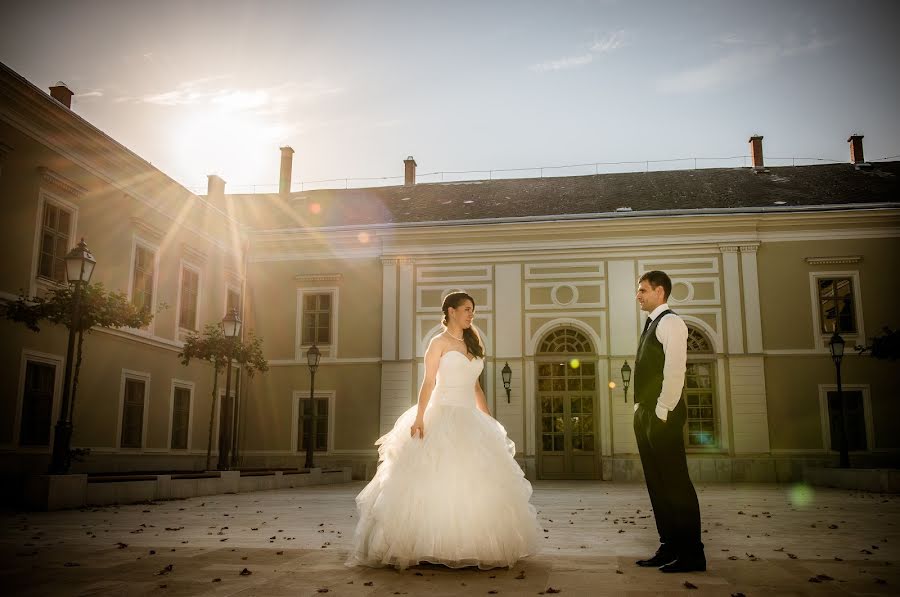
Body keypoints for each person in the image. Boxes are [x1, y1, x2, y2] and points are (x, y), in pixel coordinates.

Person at [347, 291, 540, 570]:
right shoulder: (437, 343)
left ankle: (471, 545)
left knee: (473, 481)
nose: (471, 314)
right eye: (466, 309)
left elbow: (476, 387)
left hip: (469, 416)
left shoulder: (474, 342)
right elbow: (428, 383)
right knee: (432, 479)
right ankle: (424, 546)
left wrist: (489, 421)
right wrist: (420, 417)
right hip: (440, 413)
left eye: (472, 310)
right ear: (450, 311)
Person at [632, 271, 706, 573]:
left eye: (643, 290)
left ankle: (692, 554)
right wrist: (640, 409)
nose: (638, 295)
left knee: (676, 485)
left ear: (660, 292)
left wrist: (661, 411)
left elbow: (676, 370)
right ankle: (670, 545)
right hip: (647, 414)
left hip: (663, 415)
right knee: (657, 485)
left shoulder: (672, 323)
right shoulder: (652, 324)